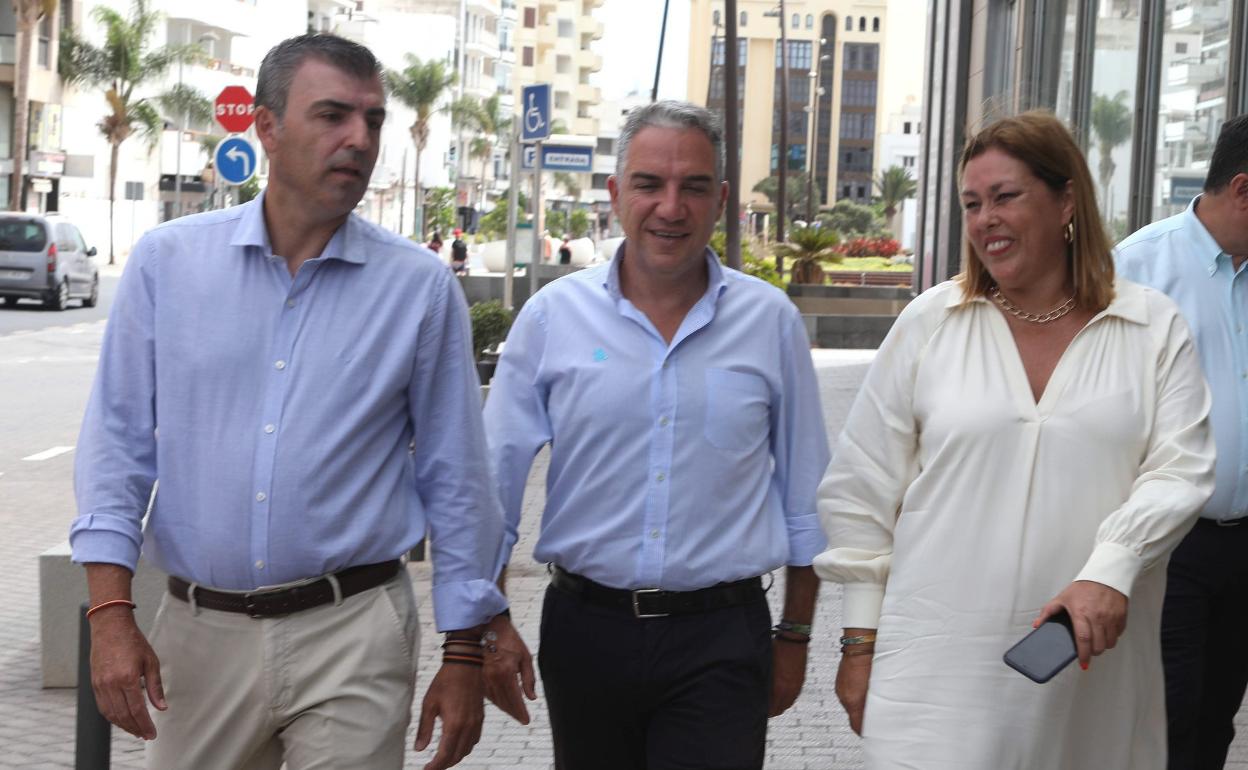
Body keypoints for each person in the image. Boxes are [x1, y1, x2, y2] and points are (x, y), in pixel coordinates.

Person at [70, 34, 532, 770]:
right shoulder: (169, 264)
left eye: (373, 120)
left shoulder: (416, 288)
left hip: (354, 630)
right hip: (200, 633)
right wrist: (110, 615)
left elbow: (456, 478)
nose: (359, 139)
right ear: (268, 127)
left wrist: (463, 651)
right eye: (332, 115)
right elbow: (117, 447)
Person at [814, 111, 1216, 769]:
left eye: (1005, 197)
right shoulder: (931, 323)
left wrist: (1111, 569)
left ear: (1066, 201)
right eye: (972, 204)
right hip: (931, 684)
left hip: (1087, 680)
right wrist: (858, 644)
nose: (985, 220)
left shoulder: (1150, 325)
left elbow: (1181, 471)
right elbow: (862, 491)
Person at [483, 100, 830, 770]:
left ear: (721, 200)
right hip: (586, 633)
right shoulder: (552, 317)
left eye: (693, 186)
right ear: (616, 193)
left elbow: (806, 495)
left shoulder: (770, 322)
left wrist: (795, 635)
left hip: (722, 640)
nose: (671, 207)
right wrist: (488, 621)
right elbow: (494, 483)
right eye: (649, 184)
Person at [1116, 113, 1248, 770]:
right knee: (1166, 715)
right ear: (1243, 189)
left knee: (1218, 715)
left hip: (1245, 547)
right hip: (1172, 540)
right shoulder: (1137, 268)